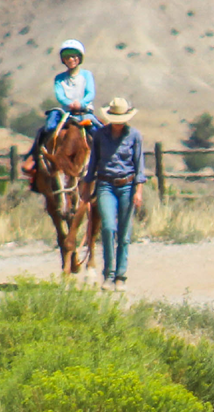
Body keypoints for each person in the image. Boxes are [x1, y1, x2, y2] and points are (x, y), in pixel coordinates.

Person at [86, 98, 147, 291]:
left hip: (127, 186)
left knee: (124, 233)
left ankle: (121, 276)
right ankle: (108, 275)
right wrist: (87, 185)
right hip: (105, 184)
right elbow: (93, 161)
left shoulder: (134, 136)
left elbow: (139, 164)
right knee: (107, 227)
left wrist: (139, 190)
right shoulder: (99, 135)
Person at [22, 39, 98, 175]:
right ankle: (34, 157)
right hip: (66, 112)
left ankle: (108, 158)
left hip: (84, 111)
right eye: (67, 57)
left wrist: (81, 103)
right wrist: (69, 103)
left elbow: (90, 93)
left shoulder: (86, 75)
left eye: (74, 56)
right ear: (63, 60)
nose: (71, 60)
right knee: (47, 128)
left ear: (79, 58)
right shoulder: (59, 78)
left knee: (98, 130)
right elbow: (60, 95)